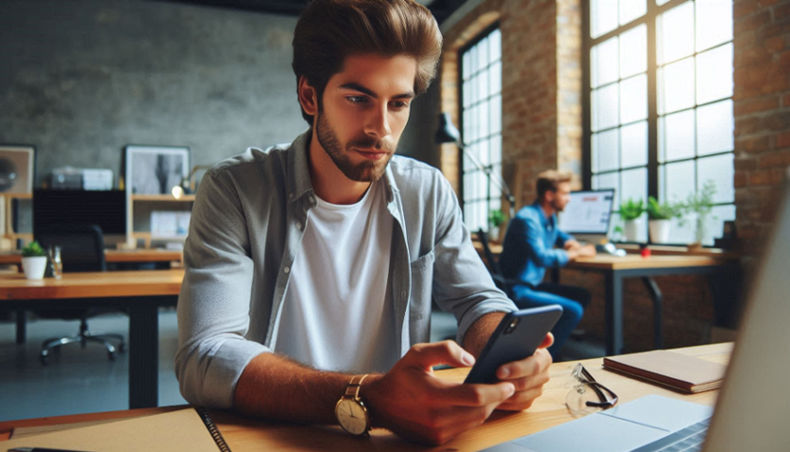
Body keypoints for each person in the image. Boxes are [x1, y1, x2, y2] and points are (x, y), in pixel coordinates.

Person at [175, 0, 552, 445]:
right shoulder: (235, 189)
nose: (382, 128)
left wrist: (508, 357)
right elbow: (204, 354)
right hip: (270, 434)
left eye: (398, 103)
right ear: (309, 96)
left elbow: (477, 299)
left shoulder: (426, 191)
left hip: (399, 437)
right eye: (359, 98)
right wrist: (366, 396)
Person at [498, 170, 596, 359]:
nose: (568, 199)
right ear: (549, 195)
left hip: (532, 283)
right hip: (517, 289)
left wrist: (571, 243)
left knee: (582, 295)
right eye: (565, 193)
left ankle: (551, 341)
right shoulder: (527, 219)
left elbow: (561, 236)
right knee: (573, 310)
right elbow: (541, 257)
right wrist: (574, 253)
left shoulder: (548, 218)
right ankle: (542, 358)